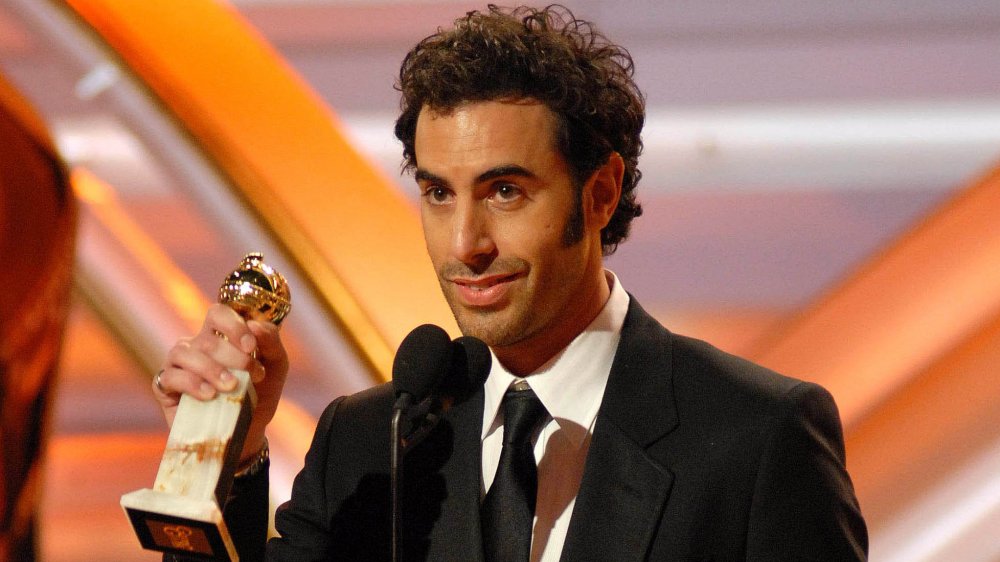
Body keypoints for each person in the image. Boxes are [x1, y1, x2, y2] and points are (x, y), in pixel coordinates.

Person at [154, 5, 868, 561]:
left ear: (600, 192)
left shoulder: (756, 437)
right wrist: (225, 457)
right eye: (438, 194)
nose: (466, 245)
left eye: (504, 192)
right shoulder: (375, 439)